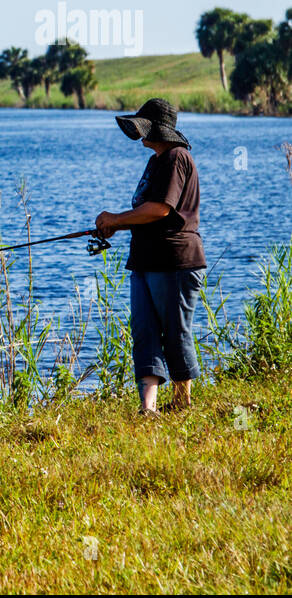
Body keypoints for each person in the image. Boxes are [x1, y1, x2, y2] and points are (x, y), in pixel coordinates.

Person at [94, 98, 206, 415]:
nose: (140, 134)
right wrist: (117, 225)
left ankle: (181, 404)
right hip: (144, 261)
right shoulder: (157, 160)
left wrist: (116, 218)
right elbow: (148, 211)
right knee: (143, 331)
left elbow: (160, 209)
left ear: (160, 130)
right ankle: (148, 408)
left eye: (145, 126)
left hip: (175, 262)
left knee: (175, 331)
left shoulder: (176, 158)